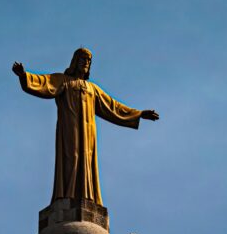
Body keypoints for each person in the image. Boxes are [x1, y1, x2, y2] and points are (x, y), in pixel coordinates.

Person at [12, 48, 158, 204]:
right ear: (75, 62)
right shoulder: (63, 81)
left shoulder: (92, 89)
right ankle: (66, 196)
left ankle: (88, 197)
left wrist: (138, 114)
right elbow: (44, 83)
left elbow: (113, 106)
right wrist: (24, 75)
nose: (86, 63)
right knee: (71, 157)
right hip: (70, 128)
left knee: (86, 160)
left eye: (89, 61)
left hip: (88, 133)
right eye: (83, 59)